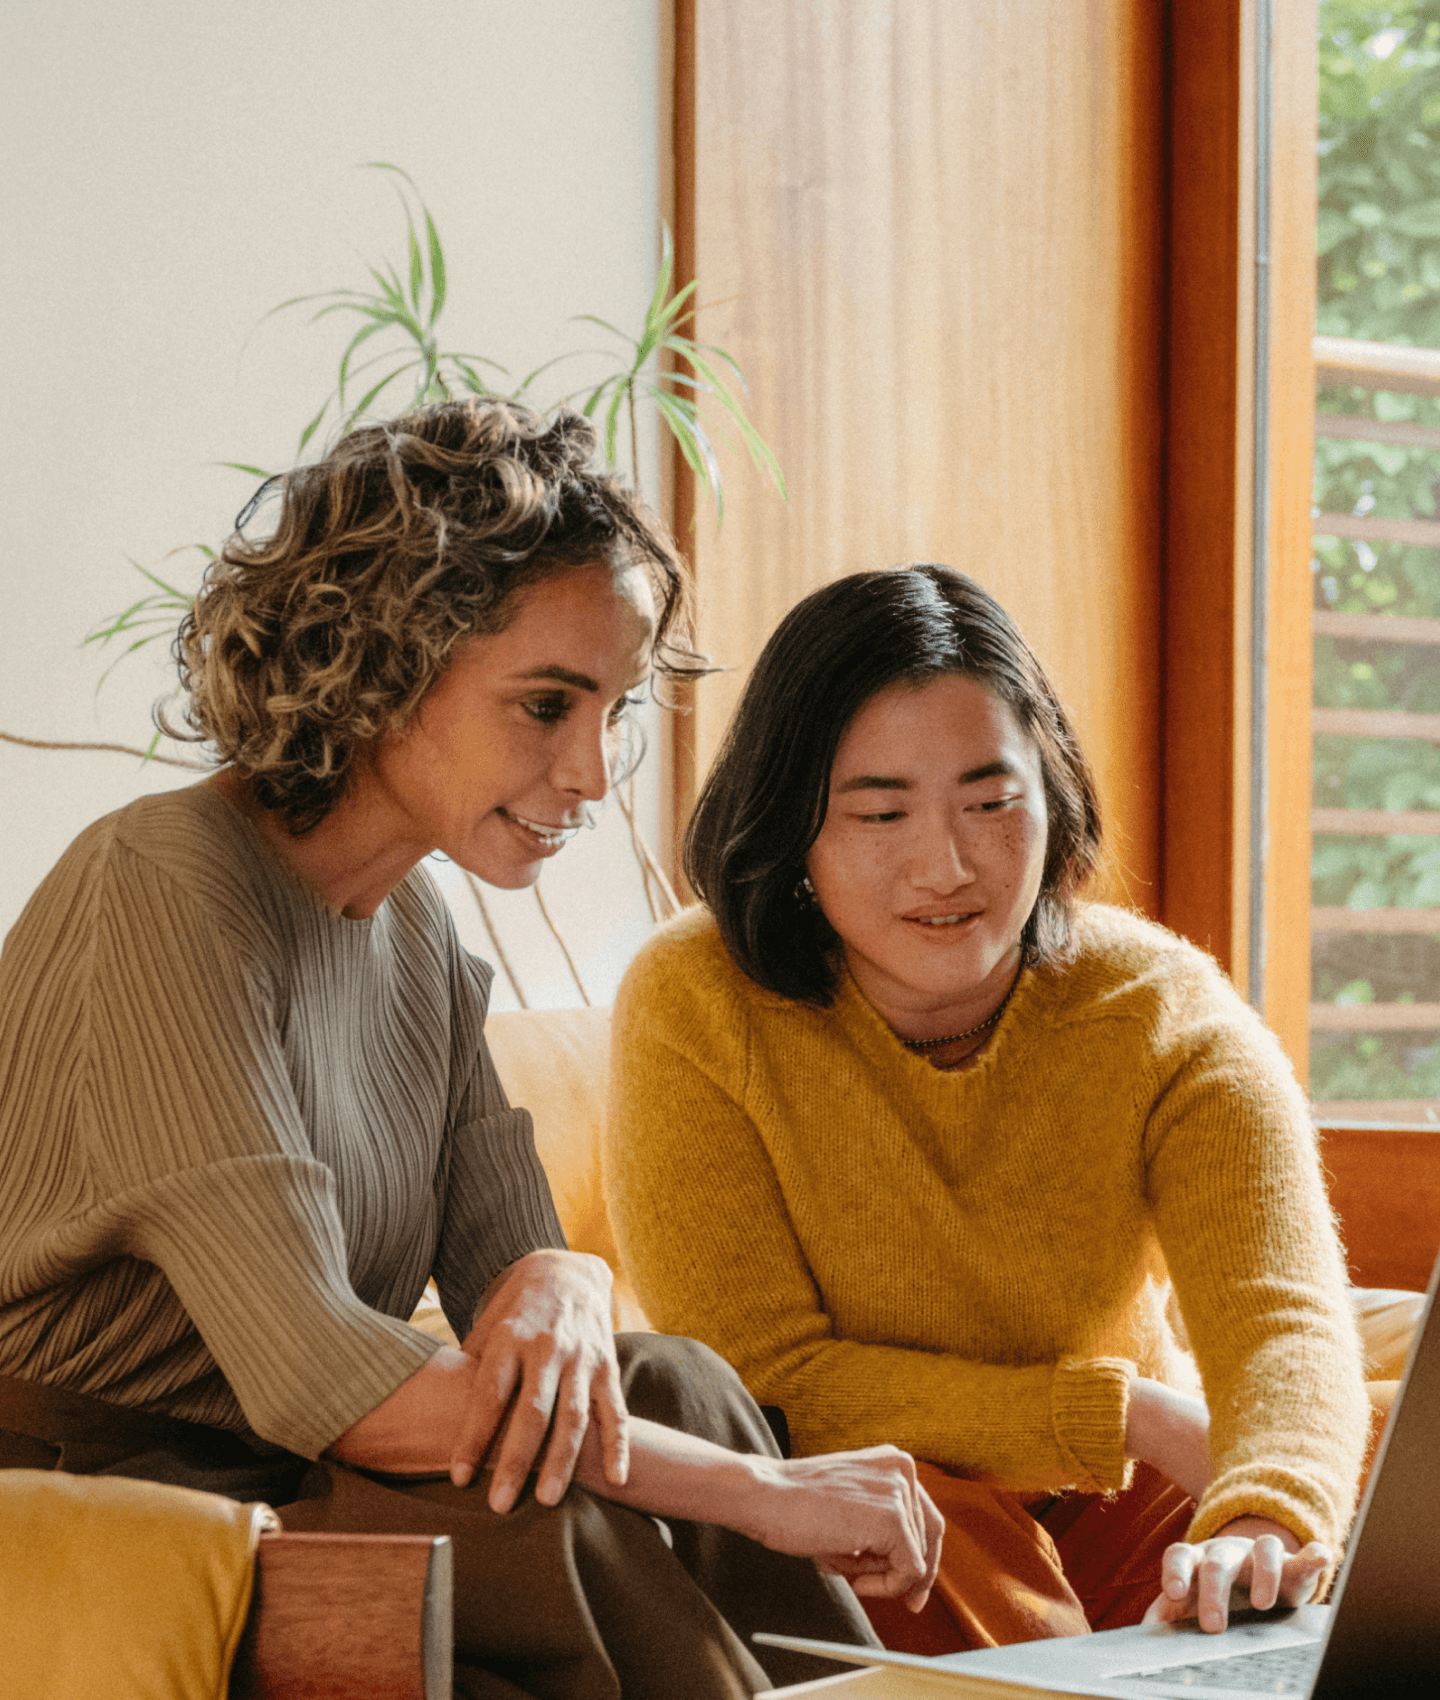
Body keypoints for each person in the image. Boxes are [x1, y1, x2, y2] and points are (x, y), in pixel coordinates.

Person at [0, 402, 944, 1700]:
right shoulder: (162, 890)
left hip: (294, 1464)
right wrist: (767, 1495)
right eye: (547, 705)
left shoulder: (413, 923)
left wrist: (563, 1280)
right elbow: (331, 1384)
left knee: (671, 1380)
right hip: (113, 1495)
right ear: (379, 662)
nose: (592, 773)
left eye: (610, 711)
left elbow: (514, 1258)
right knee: (556, 1516)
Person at [604, 563, 1373, 1657]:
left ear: (1052, 797)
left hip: (1115, 1500)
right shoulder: (695, 998)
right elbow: (765, 1381)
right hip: (873, 1502)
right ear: (792, 827)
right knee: (916, 1529)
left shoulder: (1160, 1005)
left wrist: (1265, 1512)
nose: (948, 862)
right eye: (880, 811)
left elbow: (1284, 1319)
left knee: (1357, 1506)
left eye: (992, 799)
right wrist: (1123, 1415)